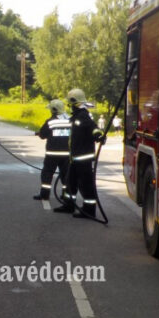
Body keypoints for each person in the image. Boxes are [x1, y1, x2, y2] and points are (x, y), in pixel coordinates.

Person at [54, 88, 105, 219]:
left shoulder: (83, 116)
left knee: (86, 185)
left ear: (74, 102)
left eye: (70, 103)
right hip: (75, 158)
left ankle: (89, 210)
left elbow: (94, 128)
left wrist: (99, 135)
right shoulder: (76, 117)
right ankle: (69, 205)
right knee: (70, 183)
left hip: (83, 159)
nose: (69, 106)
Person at [33, 99, 70, 201]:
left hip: (52, 154)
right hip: (67, 154)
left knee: (47, 174)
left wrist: (40, 133)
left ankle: (44, 194)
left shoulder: (50, 122)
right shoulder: (71, 120)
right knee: (65, 175)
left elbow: (43, 135)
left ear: (54, 110)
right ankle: (66, 195)